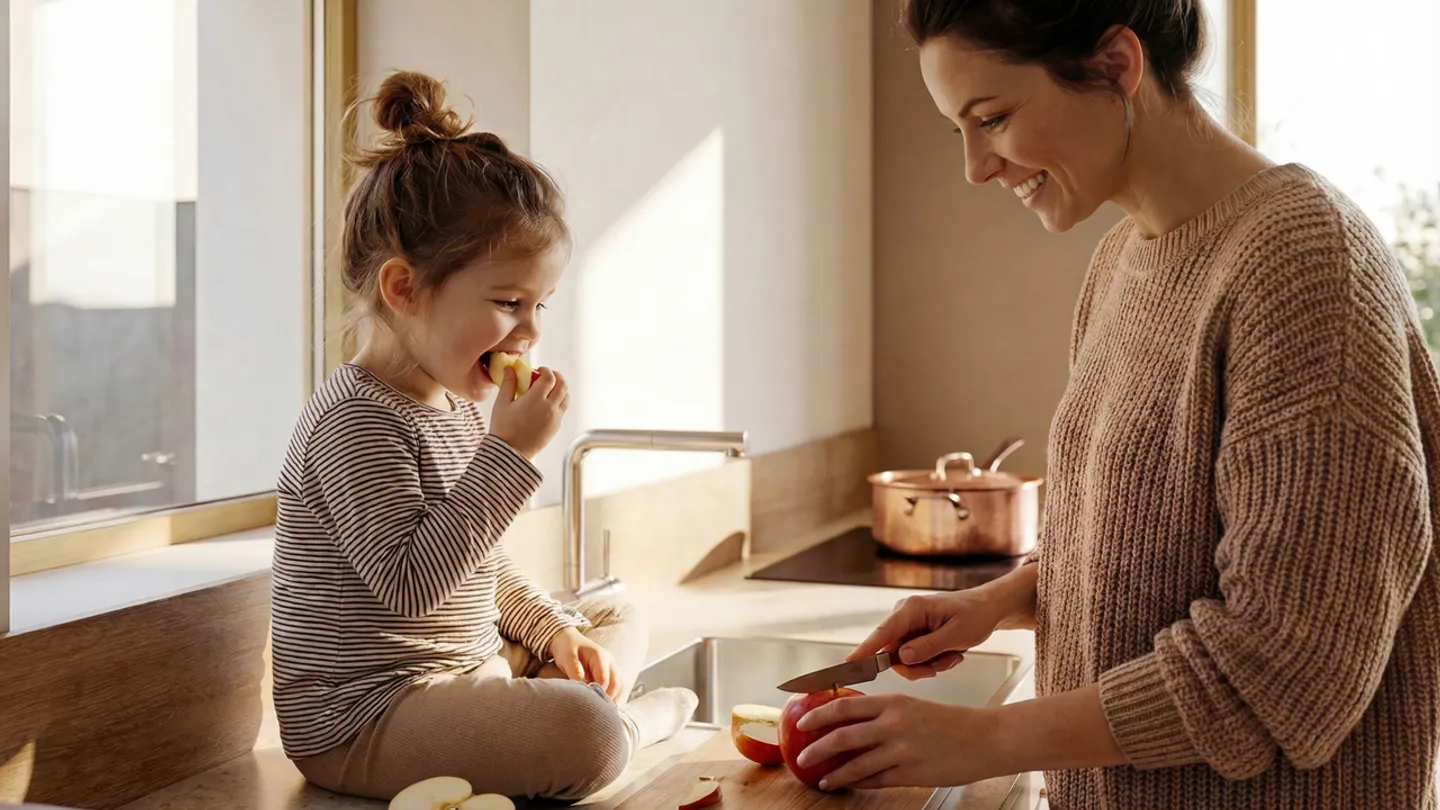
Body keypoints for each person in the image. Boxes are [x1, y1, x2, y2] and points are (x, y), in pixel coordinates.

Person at [794, 1, 1440, 807]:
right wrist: (997, 602)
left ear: (1116, 66)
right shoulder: (1120, 260)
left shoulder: (1306, 265)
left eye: (992, 118)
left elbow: (1290, 662)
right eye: (958, 128)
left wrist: (985, 739)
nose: (975, 167)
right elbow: (1142, 548)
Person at [269, 70, 698, 804]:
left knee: (613, 615)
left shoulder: (454, 402)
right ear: (404, 288)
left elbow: (481, 565)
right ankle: (619, 730)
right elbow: (412, 585)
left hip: (466, 670)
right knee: (584, 733)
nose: (529, 332)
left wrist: (554, 633)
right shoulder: (355, 421)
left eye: (540, 306)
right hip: (364, 717)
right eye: (508, 303)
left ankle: (565, 701)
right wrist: (509, 456)